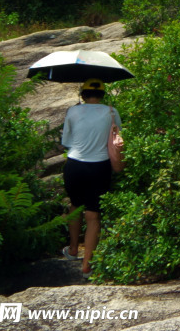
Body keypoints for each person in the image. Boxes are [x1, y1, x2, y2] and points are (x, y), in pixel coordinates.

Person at [61, 77, 122, 274]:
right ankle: (87, 265)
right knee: (93, 215)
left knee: (75, 206)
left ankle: (73, 249)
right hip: (99, 167)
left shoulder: (73, 111)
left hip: (74, 165)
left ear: (83, 94)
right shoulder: (111, 112)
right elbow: (118, 137)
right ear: (102, 94)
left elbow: (66, 141)